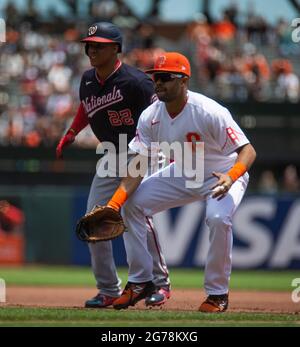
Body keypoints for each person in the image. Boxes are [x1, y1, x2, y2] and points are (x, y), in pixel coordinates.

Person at [103, 52, 256, 312]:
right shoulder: (150, 116)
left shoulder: (208, 111)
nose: (158, 82)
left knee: (218, 219)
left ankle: (217, 295)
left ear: (183, 81)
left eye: (165, 77)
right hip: (184, 172)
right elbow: (138, 166)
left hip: (224, 173)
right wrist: (114, 203)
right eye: (155, 77)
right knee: (132, 204)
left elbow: (248, 151)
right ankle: (141, 281)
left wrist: (231, 178)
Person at [56, 22, 170, 308]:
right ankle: (108, 289)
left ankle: (159, 283)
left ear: (116, 48)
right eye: (90, 45)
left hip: (140, 151)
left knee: (136, 212)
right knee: (93, 221)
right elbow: (86, 106)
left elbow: (161, 113)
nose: (92, 49)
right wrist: (72, 131)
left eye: (99, 45)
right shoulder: (87, 79)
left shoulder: (135, 81)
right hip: (111, 154)